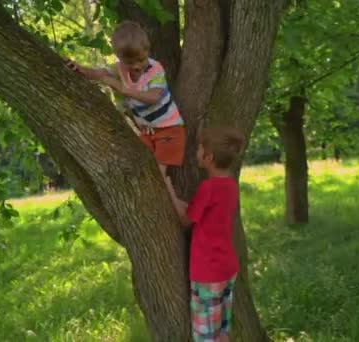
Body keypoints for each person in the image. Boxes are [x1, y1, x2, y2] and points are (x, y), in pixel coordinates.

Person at [65, 20, 185, 175]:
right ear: (119, 58)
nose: (136, 66)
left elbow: (154, 97)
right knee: (138, 162)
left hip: (169, 129)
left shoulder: (155, 69)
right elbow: (98, 73)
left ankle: (171, 199)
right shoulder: (120, 69)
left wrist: (124, 90)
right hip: (149, 132)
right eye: (129, 62)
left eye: (141, 60)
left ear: (147, 51)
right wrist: (79, 68)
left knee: (158, 173)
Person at [163, 127, 243, 342]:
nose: (196, 152)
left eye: (199, 149)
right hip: (226, 267)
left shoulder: (207, 188)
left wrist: (167, 185)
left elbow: (184, 220)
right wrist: (178, 201)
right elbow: (197, 211)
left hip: (208, 273)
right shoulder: (229, 185)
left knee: (206, 337)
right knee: (221, 332)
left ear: (209, 157)